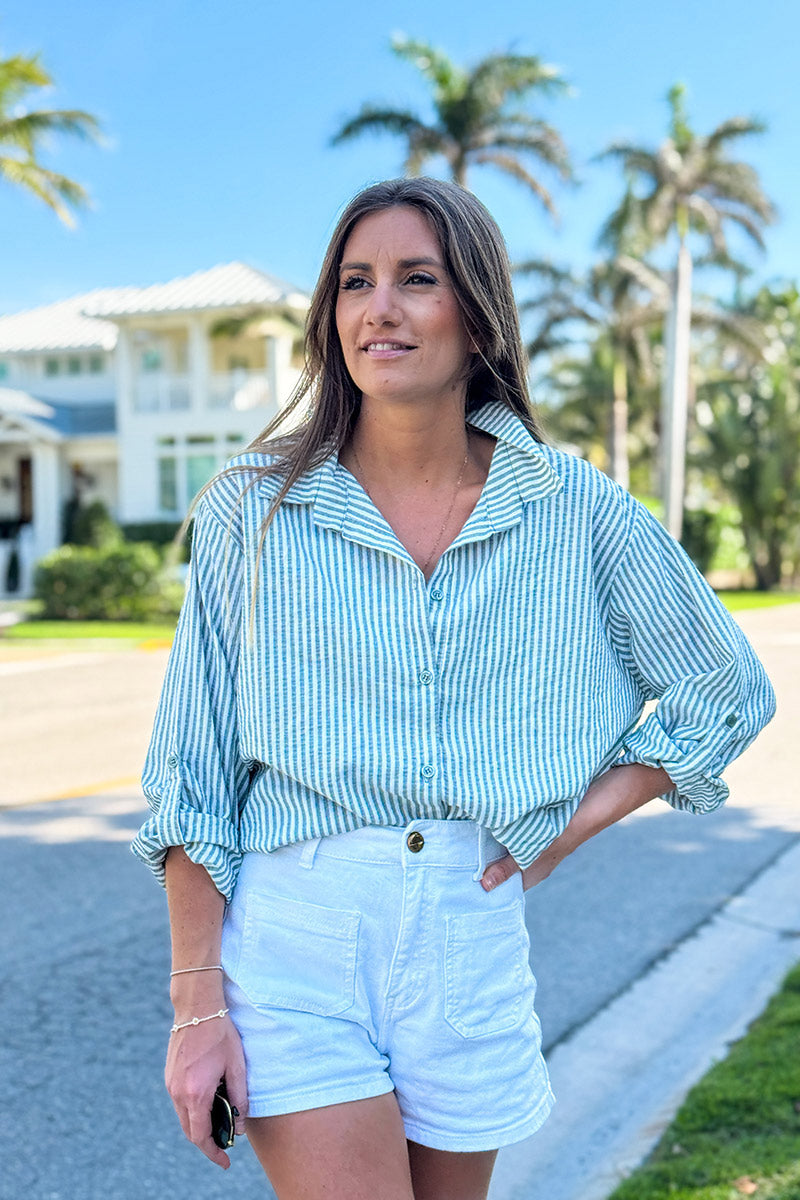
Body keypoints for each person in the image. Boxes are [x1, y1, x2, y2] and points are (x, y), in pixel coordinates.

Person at [132, 177, 775, 1200]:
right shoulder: (251, 512)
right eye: (354, 282)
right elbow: (191, 775)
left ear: (475, 319)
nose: (376, 308)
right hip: (298, 935)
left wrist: (566, 826)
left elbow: (721, 689)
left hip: (466, 934)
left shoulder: (572, 509)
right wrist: (196, 1003)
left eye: (414, 279)